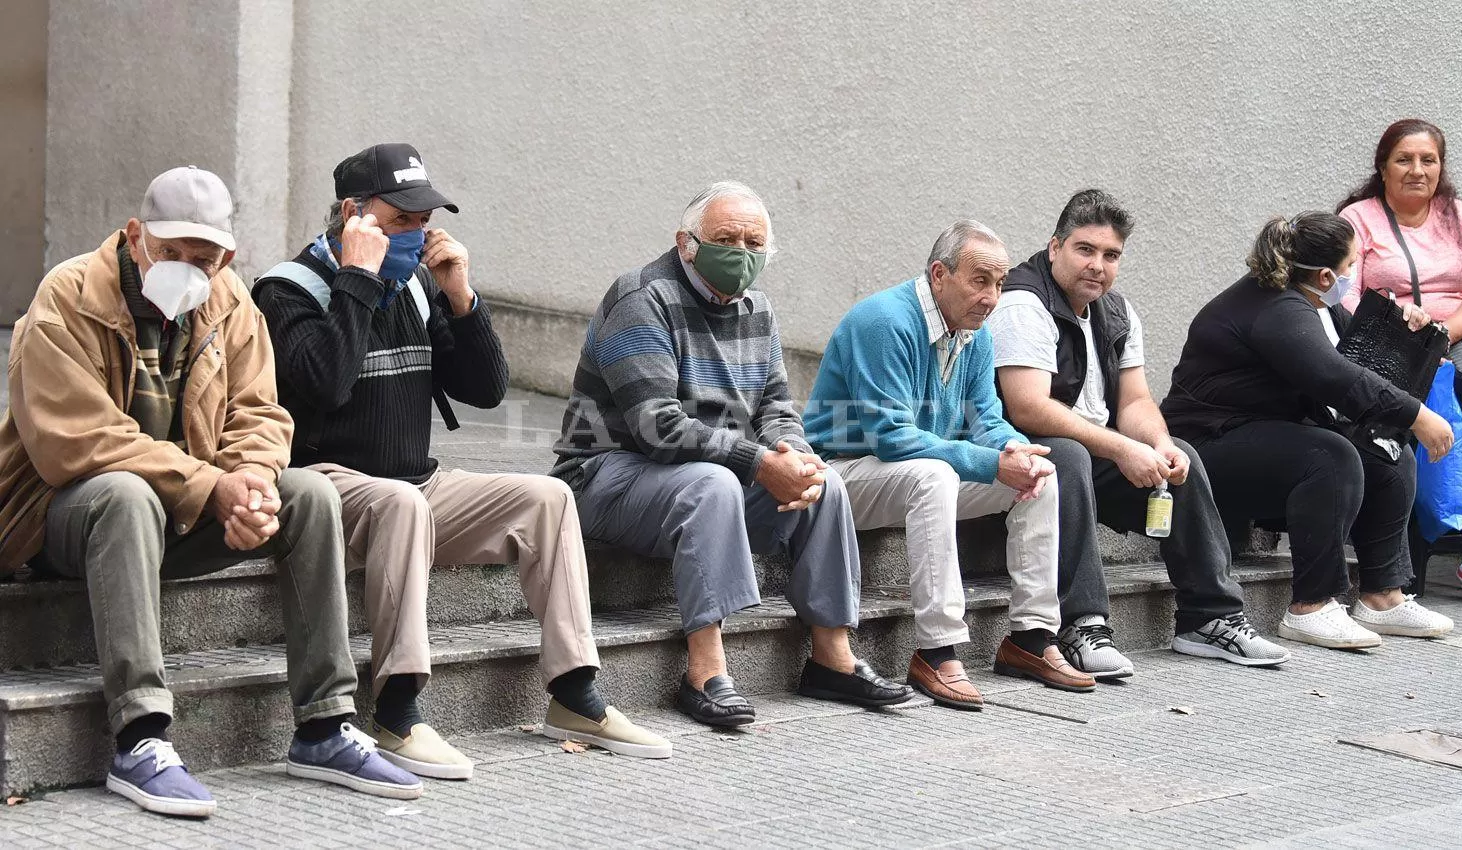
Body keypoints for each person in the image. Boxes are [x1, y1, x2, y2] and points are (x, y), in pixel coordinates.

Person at [0, 167, 420, 816]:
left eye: (205, 257)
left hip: (174, 517)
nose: (187, 267)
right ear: (136, 234)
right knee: (123, 493)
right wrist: (211, 486)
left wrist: (251, 481)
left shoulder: (229, 301)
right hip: (55, 518)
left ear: (227, 254)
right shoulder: (70, 296)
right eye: (170, 252)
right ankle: (140, 737)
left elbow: (260, 412)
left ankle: (323, 725)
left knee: (307, 495)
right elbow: (73, 442)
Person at [255, 143, 670, 774]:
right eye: (401, 222)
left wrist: (460, 297)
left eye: (423, 221)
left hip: (418, 485)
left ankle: (575, 694)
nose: (416, 235)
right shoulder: (288, 291)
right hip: (325, 488)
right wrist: (357, 282)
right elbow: (325, 386)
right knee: (398, 503)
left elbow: (486, 391)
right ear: (352, 215)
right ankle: (396, 714)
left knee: (548, 497)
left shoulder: (417, 287)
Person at [552, 181, 912, 727]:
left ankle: (832, 657)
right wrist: (760, 463)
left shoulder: (758, 310)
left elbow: (775, 407)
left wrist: (795, 456)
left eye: (753, 242)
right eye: (726, 238)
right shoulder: (639, 298)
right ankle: (705, 670)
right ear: (686, 243)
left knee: (826, 484)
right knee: (713, 483)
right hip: (605, 476)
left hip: (696, 476)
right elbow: (657, 427)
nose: (741, 254)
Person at [992, 190, 1289, 674]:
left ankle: (1209, 619)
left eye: (1111, 256)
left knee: (1181, 461)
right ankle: (1080, 625)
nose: (1098, 266)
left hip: (1093, 453)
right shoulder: (1024, 303)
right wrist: (1122, 447)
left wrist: (1159, 444)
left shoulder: (1117, 311)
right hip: (1022, 458)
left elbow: (1134, 400)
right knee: (1066, 455)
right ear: (1054, 248)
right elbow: (1028, 408)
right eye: (1084, 250)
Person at [804, 219, 1094, 706]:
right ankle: (937, 650)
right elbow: (891, 437)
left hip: (914, 476)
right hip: (838, 476)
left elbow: (987, 419)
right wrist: (988, 461)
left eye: (999, 284)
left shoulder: (975, 333)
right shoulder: (885, 321)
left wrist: (1013, 451)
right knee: (935, 473)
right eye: (980, 280)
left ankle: (1031, 638)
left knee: (1041, 474)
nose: (992, 296)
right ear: (940, 274)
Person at [1161, 211, 1457, 649]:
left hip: (1262, 434)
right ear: (1323, 276)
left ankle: (1382, 596)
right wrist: (1417, 414)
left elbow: (1359, 361)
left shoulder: (1315, 303)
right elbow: (1337, 378)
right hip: (1205, 449)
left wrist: (1407, 330)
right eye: (1351, 267)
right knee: (1330, 455)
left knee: (1387, 451)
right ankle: (1311, 606)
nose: (1352, 275)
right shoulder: (1275, 309)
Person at [1338, 118, 1462, 612]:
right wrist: (1401, 325)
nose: (1417, 170)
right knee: (1398, 443)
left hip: (1461, 353)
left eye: (1428, 160)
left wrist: (1446, 332)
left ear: (1440, 167)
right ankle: (1398, 566)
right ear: (1383, 166)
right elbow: (1344, 294)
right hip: (1394, 357)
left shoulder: (1459, 215)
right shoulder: (1358, 218)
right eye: (1404, 159)